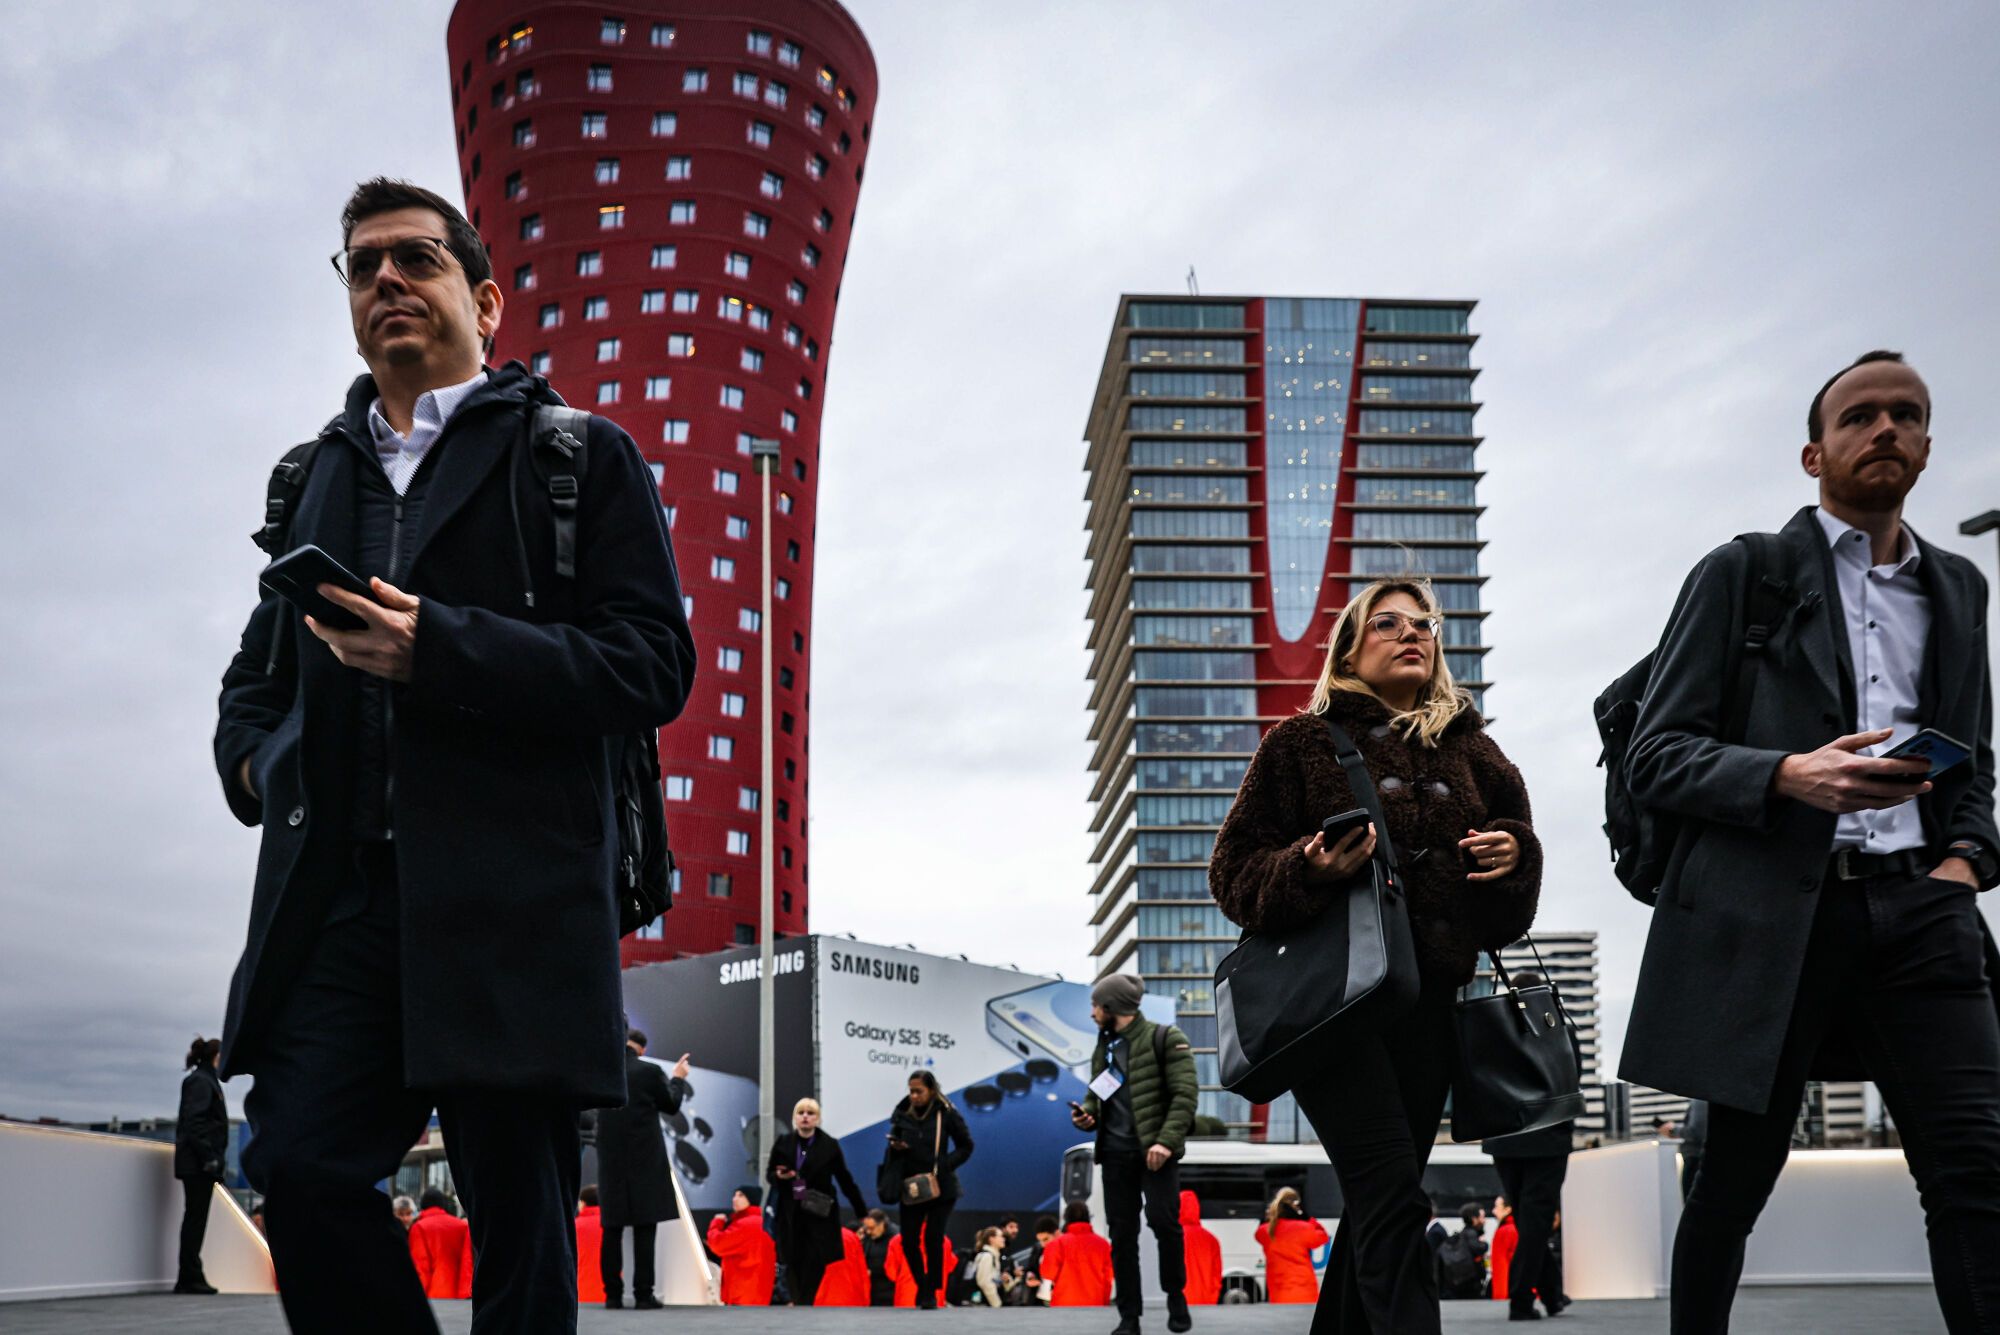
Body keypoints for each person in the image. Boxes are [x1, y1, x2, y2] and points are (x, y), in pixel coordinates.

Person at [214, 177, 696, 1335]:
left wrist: (446, 651)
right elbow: (252, 683)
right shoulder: (311, 474)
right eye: (362, 263)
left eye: (415, 259)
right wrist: (260, 768)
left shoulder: (577, 455)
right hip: (340, 902)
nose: (385, 280)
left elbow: (649, 666)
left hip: (510, 901)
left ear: (483, 301)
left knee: (520, 1223)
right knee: (305, 1168)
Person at [1619, 350, 2000, 1334]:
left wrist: (1963, 867)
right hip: (1772, 919)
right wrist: (1786, 773)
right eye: (1859, 416)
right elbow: (1654, 756)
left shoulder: (1957, 589)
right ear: (1810, 452)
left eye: (1905, 415)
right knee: (1729, 1187)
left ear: (1925, 443)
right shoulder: (1741, 572)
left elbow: (1973, 759)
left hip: (1921, 912)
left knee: (1974, 1177)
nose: (1884, 430)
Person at [1210, 577, 1542, 1333]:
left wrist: (1514, 856)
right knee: (1394, 1193)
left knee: (1375, 1207)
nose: (1410, 633)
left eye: (1422, 623)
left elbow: (1508, 914)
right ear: (1351, 649)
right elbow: (1231, 873)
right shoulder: (1299, 743)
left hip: (1427, 1009)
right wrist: (1309, 866)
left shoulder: (1477, 754)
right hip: (1334, 1007)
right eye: (1387, 623)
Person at [1070, 973, 1199, 1335]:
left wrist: (1165, 1142)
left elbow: (1185, 1095)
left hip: (1155, 1153)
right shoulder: (1105, 1044)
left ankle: (1176, 1296)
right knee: (1121, 1235)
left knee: (1165, 1223)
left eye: (1096, 1005)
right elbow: (1099, 1094)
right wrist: (1087, 1113)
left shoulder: (1165, 1038)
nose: (1093, 1012)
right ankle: (1129, 1317)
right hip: (1113, 1153)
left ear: (1112, 1007)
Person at [1483, 972, 1575, 1322]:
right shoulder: (1557, 1029)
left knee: (1527, 1221)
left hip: (1505, 1139)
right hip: (1548, 1139)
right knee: (1535, 1223)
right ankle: (1521, 1301)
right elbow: (1572, 1076)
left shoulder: (1494, 1032)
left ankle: (1552, 1295)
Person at [596, 1032, 690, 1310]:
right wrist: (679, 1078)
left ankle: (612, 1295)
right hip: (645, 1160)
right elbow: (671, 1105)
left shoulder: (605, 1069)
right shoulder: (649, 1071)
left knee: (610, 1229)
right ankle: (643, 1294)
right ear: (643, 1048)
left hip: (611, 1160)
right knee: (645, 1227)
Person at [882, 1070, 974, 1309]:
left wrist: (945, 1164)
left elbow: (966, 1145)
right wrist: (897, 1148)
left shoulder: (947, 1113)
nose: (913, 1096)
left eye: (918, 1091)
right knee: (908, 1241)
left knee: (934, 1238)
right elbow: (892, 1148)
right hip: (911, 1186)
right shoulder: (901, 1115)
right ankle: (923, 1284)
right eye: (911, 1091)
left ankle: (930, 1291)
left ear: (931, 1090)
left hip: (941, 1186)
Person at [767, 1096, 870, 1306]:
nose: (805, 1117)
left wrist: (862, 1212)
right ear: (794, 1118)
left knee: (816, 1261)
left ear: (818, 1119)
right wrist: (780, 1176)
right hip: (791, 1212)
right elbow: (769, 1175)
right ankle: (800, 1301)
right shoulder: (784, 1143)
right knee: (792, 1260)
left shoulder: (829, 1145)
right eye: (801, 1113)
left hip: (819, 1212)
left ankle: (805, 1301)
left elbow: (845, 1179)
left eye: (810, 1113)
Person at [174, 1036, 229, 1295]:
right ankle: (190, 1277)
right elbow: (195, 1123)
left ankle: (191, 1275)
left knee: (195, 1219)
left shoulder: (203, 1080)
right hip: (198, 1164)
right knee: (195, 1220)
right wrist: (210, 1157)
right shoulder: (202, 1082)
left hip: (198, 1163)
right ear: (216, 1057)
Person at [1255, 1188, 1330, 1305]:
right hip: (1305, 1291)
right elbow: (1323, 1237)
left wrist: (1268, 1217)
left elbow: (1258, 1234)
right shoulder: (1303, 1228)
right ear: (1296, 1205)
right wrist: (1307, 1218)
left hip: (1278, 1293)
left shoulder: (1267, 1230)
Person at [707, 1186, 777, 1306]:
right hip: (757, 1289)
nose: (735, 1199)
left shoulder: (745, 1224)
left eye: (741, 1195)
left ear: (751, 1199)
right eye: (735, 1195)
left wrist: (716, 1223)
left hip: (742, 1289)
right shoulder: (761, 1222)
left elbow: (717, 1244)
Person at [1040, 1201, 1115, 1306]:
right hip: (1096, 1304)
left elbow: (1047, 1273)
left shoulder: (1057, 1244)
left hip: (1063, 1304)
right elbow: (1110, 1276)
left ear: (1066, 1218)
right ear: (1088, 1217)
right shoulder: (1104, 1245)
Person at [407, 1189, 474, 1301]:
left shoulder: (419, 1227)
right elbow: (467, 1262)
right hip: (459, 1296)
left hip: (433, 1296)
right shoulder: (462, 1226)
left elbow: (420, 1267)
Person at [885, 1223, 958, 1307]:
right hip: (935, 1298)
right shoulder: (944, 1241)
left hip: (906, 1299)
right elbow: (950, 1267)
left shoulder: (897, 1241)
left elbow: (891, 1273)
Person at [1179, 1191, 1223, 1306]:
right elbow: (1216, 1274)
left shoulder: (1173, 1237)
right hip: (1206, 1301)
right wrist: (1213, 1297)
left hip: (1180, 1300)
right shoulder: (1212, 1240)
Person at [1435, 1204, 1487, 1301]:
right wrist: (1484, 1244)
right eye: (1482, 1217)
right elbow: (1478, 1248)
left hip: (1459, 1281)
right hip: (1469, 1281)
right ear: (1474, 1219)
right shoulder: (1471, 1233)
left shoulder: (1463, 1233)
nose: (1484, 1221)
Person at [814, 1225, 871, 1306]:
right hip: (851, 1297)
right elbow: (862, 1272)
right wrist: (866, 1299)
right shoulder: (851, 1237)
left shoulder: (814, 1235)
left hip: (822, 1297)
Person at [859, 1209, 900, 1306]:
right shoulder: (867, 1237)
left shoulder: (895, 1238)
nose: (868, 1232)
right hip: (873, 1289)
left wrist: (873, 1271)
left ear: (881, 1224)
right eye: (866, 1228)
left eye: (871, 1228)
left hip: (890, 1290)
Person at [970, 1226, 1015, 1307]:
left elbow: (992, 1281)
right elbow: (984, 1283)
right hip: (983, 1306)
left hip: (987, 1305)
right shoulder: (987, 1256)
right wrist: (997, 1304)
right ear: (991, 1239)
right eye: (1001, 1236)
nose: (1003, 1239)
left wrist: (1005, 1281)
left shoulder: (994, 1257)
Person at [575, 1186, 605, 1304]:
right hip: (608, 1292)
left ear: (583, 1203)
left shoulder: (574, 1226)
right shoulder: (610, 1228)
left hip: (581, 1292)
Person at [1679, 1099, 1708, 1204]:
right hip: (1698, 1159)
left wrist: (1673, 1130)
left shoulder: (1700, 1099)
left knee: (1693, 1205)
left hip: (1695, 1160)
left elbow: (1696, 1132)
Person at [1488, 1208, 1517, 1304]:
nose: (1494, 1211)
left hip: (1508, 1292)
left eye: (1497, 1207)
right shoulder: (1519, 1227)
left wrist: (1500, 1296)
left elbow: (1500, 1266)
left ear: (1508, 1209)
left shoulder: (1504, 1231)